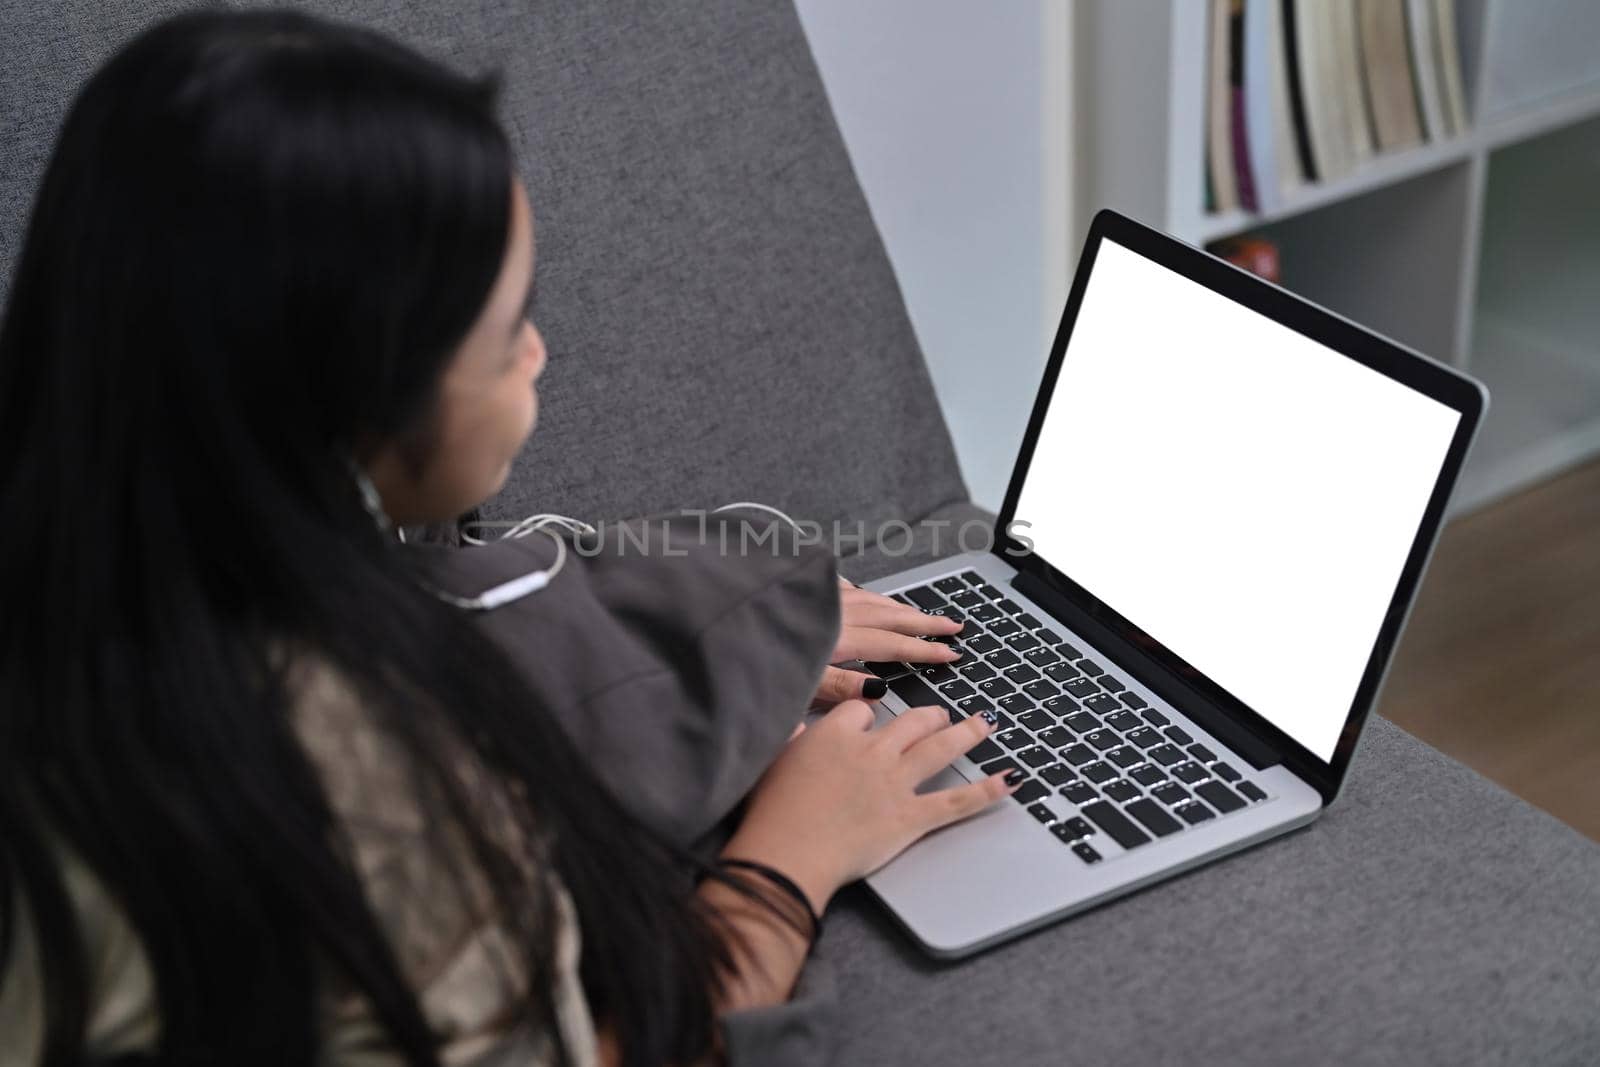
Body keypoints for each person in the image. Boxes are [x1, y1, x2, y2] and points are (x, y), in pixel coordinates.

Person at [0, 11, 1016, 1066]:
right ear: (356, 404)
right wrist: (794, 853)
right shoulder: (368, 786)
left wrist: (738, 634)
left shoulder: (95, 560)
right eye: (505, 330)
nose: (537, 352)